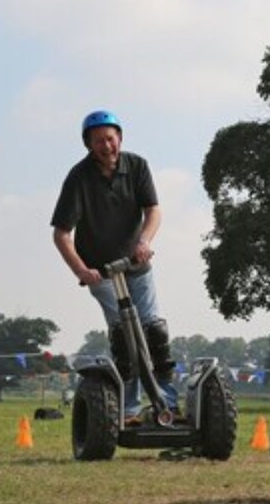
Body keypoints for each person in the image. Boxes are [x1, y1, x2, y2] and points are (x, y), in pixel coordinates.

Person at [51, 110, 178, 424]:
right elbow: (61, 234)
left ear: (119, 137)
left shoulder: (136, 166)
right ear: (89, 145)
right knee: (125, 335)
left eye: (110, 138)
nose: (106, 145)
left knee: (153, 329)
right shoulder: (79, 177)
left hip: (137, 265)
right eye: (98, 141)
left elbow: (153, 211)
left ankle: (168, 403)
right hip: (102, 271)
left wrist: (144, 242)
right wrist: (81, 270)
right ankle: (130, 409)